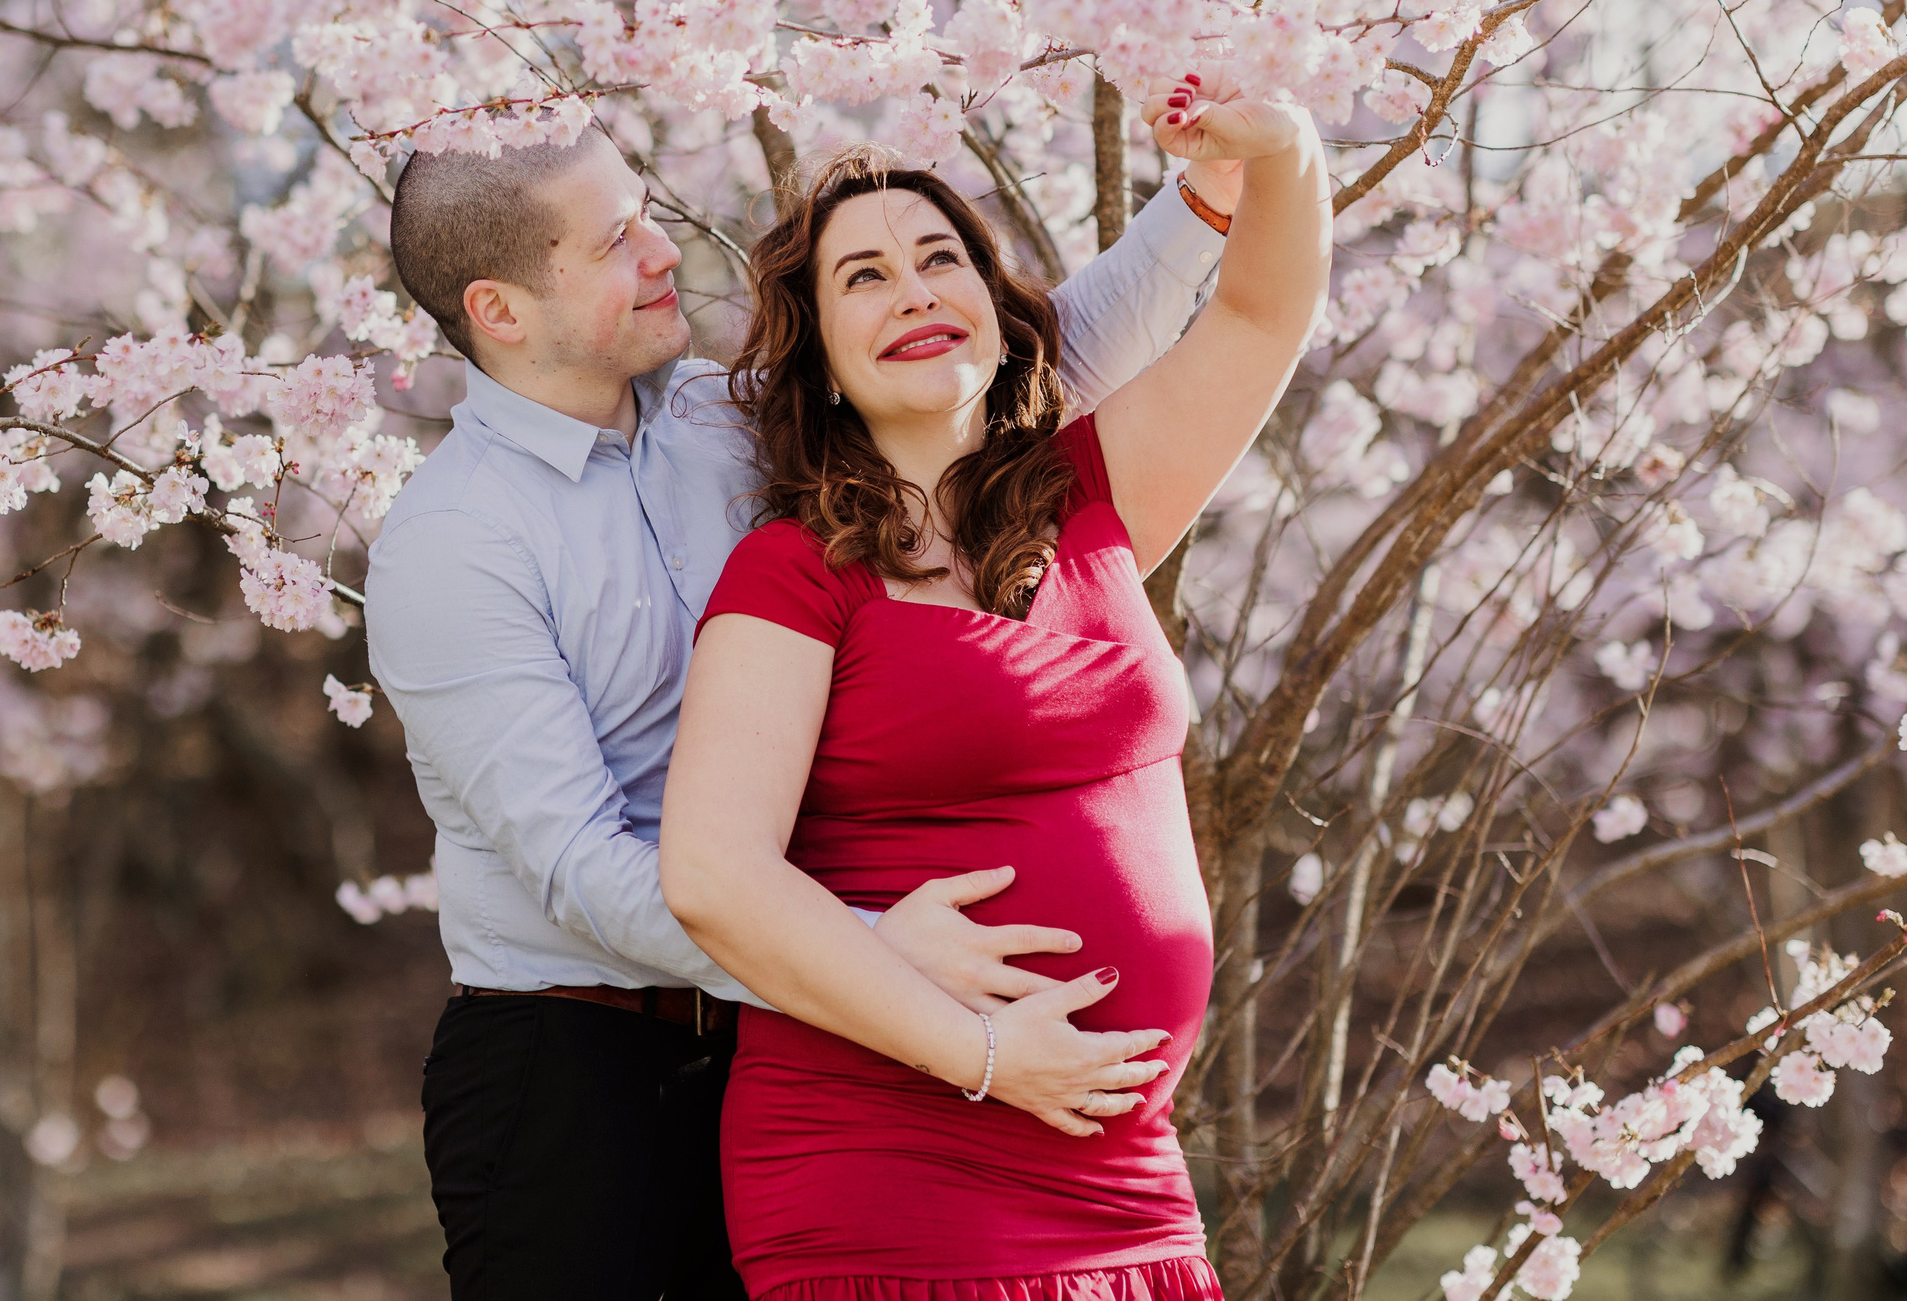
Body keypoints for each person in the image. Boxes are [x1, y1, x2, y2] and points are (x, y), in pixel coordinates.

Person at [364, 118, 1245, 1301]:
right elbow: (576, 864)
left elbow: (997, 360)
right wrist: (866, 940)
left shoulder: (727, 427)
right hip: (577, 1071)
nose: (666, 249)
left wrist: (1203, 208)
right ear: (503, 310)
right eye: (617, 238)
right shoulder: (452, 545)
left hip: (812, 1047)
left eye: (648, 211)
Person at [658, 79, 1331, 1301]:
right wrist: (982, 1055)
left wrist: (1277, 141)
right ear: (815, 351)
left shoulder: (1092, 491)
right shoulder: (794, 573)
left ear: (995, 303)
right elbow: (712, 875)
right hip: (891, 1160)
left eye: (938, 258)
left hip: (1119, 1165)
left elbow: (1265, 307)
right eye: (862, 276)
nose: (913, 289)